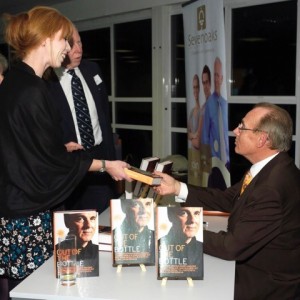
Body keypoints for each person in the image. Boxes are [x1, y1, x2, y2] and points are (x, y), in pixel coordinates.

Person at [0, 6, 130, 299]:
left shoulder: (15, 82)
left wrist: (58, 147)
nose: (69, 47)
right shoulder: (33, 89)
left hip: (15, 204)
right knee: (32, 292)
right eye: (64, 40)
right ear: (46, 39)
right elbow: (49, 165)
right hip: (27, 213)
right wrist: (104, 164)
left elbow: (24, 145)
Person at [154, 102, 300, 299]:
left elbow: (231, 247)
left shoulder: (270, 187)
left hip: (263, 284)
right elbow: (229, 199)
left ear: (262, 140)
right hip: (253, 268)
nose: (235, 130)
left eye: (242, 126)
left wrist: (178, 230)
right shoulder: (272, 167)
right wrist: (177, 187)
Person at [46, 27, 117, 214]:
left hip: (100, 157)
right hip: (68, 164)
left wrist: (111, 158)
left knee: (102, 219)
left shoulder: (92, 69)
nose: (79, 50)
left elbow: (104, 114)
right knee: (70, 224)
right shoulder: (46, 81)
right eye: (71, 45)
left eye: (80, 42)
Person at [201, 57, 229, 189]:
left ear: (222, 78)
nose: (217, 79)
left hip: (228, 163)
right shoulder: (209, 104)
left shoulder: (225, 104)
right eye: (215, 75)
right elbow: (205, 137)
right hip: (214, 164)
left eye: (219, 76)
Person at [158, 207, 203, 278]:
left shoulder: (202, 249)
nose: (192, 220)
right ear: (170, 216)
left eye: (196, 213)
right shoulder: (158, 246)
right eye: (183, 213)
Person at [113, 198, 155, 265]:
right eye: (136, 204)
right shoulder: (115, 237)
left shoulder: (155, 238)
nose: (143, 211)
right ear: (125, 209)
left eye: (148, 204)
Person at [59, 211, 99, 276]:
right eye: (80, 218)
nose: (88, 225)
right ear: (67, 221)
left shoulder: (99, 252)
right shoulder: (57, 251)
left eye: (92, 218)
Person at [187, 74, 201, 150]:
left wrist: (191, 136)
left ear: (199, 89)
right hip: (192, 152)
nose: (195, 90)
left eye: (196, 87)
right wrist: (193, 135)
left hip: (200, 153)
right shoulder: (191, 112)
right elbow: (188, 134)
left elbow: (199, 139)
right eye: (194, 87)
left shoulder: (202, 111)